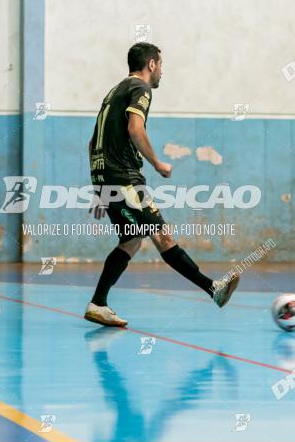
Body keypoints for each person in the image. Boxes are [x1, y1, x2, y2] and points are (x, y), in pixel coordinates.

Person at [84, 42, 239, 327]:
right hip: (124, 177)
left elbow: (92, 142)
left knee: (131, 240)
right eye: (161, 65)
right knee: (163, 237)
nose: (162, 72)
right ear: (151, 64)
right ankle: (213, 289)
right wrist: (157, 162)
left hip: (106, 175)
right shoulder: (139, 89)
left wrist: (100, 186)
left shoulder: (113, 92)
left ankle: (98, 303)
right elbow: (135, 129)